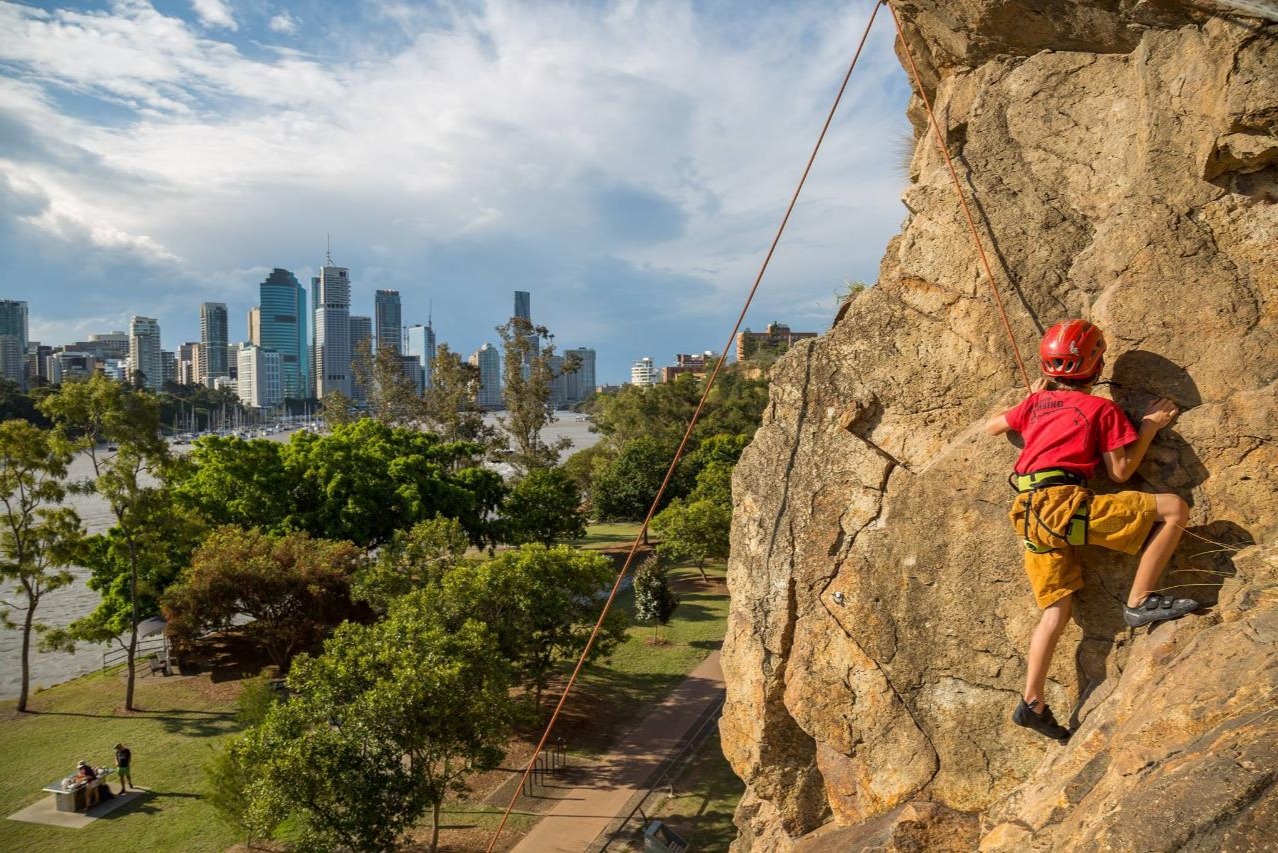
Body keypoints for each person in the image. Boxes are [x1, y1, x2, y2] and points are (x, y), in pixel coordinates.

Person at [985, 319, 1198, 742]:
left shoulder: (1035, 405)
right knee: (1173, 509)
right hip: (1067, 507)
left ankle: (1032, 700)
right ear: (1096, 365)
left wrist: (1036, 400)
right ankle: (1139, 600)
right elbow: (1120, 472)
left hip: (1029, 514)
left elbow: (994, 427)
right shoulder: (1101, 409)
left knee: (1056, 610)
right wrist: (1151, 426)